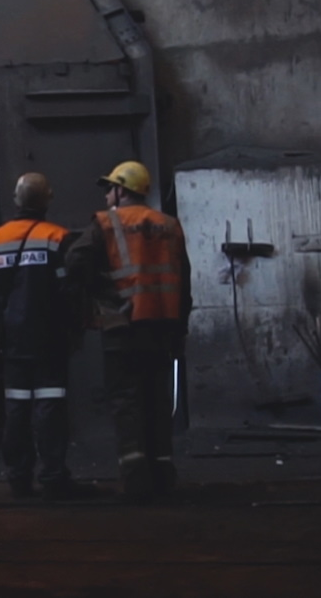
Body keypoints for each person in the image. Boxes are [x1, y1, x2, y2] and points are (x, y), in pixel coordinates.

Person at [64, 160, 192, 503]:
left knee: (126, 402)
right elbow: (185, 282)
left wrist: (100, 292)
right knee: (157, 401)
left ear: (122, 190)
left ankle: (136, 480)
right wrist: (179, 329)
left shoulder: (106, 223)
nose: (107, 195)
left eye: (110, 188)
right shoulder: (170, 225)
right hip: (162, 327)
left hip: (123, 327)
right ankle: (163, 474)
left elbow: (75, 263)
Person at [0, 172, 84, 500]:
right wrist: (75, 329)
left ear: (16, 200)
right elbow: (69, 290)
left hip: (12, 340)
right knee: (49, 406)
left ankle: (18, 478)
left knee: (16, 407)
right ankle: (53, 476)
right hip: (49, 337)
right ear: (48, 199)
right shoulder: (57, 237)